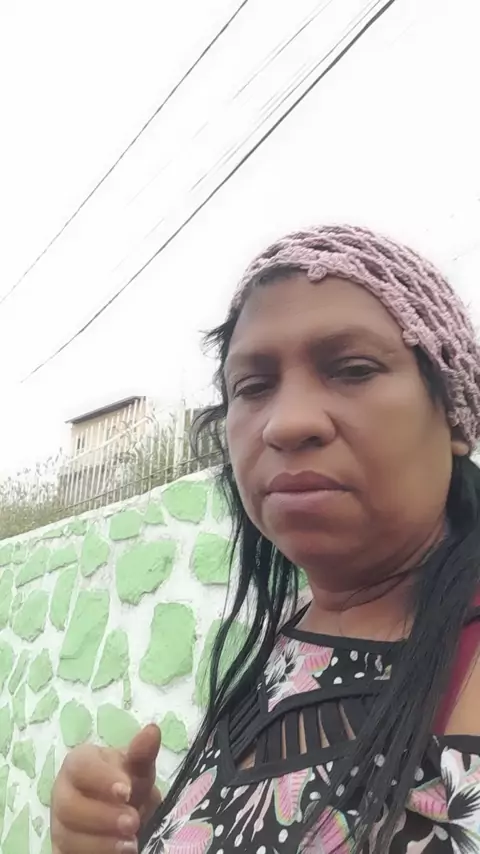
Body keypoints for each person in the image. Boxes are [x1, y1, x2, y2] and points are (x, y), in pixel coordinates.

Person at [50, 225, 480, 854]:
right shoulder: (286, 639)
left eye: (353, 370)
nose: (287, 422)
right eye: (252, 387)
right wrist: (148, 830)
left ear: (455, 416)